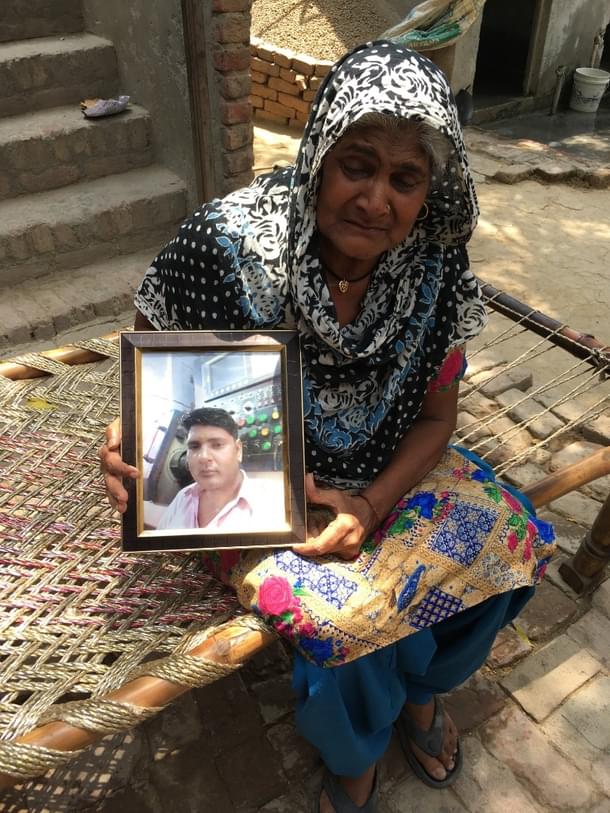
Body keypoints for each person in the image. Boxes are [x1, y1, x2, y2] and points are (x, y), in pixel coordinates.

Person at [100, 41, 555, 813]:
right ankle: (356, 751)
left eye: (404, 179)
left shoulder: (434, 264)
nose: (376, 199)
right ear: (318, 157)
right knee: (340, 627)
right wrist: (130, 431)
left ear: (426, 194)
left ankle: (419, 688)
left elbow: (440, 414)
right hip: (258, 493)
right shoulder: (227, 244)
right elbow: (152, 350)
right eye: (358, 165)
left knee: (509, 540)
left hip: (385, 477)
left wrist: (372, 505)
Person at [155, 407, 284, 532]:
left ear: (238, 450)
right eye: (194, 446)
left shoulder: (275, 502)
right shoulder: (183, 497)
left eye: (217, 445)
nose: (203, 457)